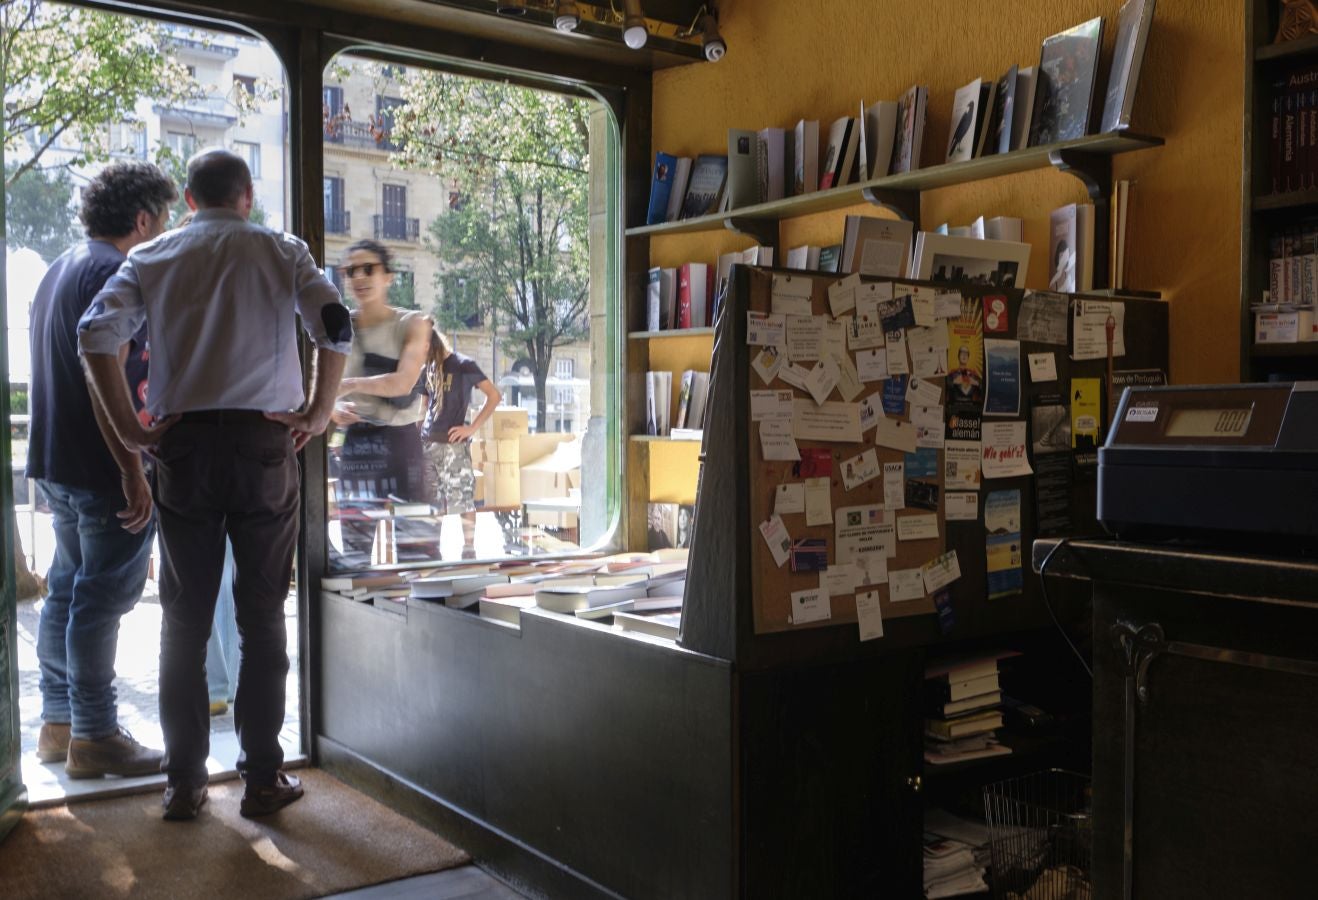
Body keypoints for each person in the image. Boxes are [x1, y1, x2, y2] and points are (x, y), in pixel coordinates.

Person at [79, 148, 351, 821]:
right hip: (265, 444)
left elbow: (94, 335)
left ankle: (184, 784)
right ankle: (261, 779)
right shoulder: (283, 250)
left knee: (184, 621)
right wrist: (317, 411)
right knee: (261, 618)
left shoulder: (153, 256)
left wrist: (132, 433)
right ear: (246, 196)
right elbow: (336, 324)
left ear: (192, 200)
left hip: (185, 449)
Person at [26, 160, 175, 778]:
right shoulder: (116, 271)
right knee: (101, 598)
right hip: (100, 466)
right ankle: (95, 734)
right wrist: (132, 465)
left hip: (57, 462)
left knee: (67, 587)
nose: (166, 233)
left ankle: (58, 724)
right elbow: (101, 371)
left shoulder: (61, 266)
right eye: (164, 222)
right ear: (141, 219)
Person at [332, 239, 430, 504]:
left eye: (368, 268)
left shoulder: (412, 323)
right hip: (358, 442)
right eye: (351, 271)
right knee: (357, 539)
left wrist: (348, 385)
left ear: (388, 276)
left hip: (402, 441)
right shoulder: (339, 327)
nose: (359, 276)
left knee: (416, 538)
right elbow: (319, 386)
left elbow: (403, 383)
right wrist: (332, 409)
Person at [420, 320, 501, 558]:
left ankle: (469, 550)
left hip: (453, 446)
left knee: (463, 499)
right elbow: (423, 406)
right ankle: (433, 551)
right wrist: (416, 438)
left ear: (431, 344)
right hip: (427, 444)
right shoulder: (428, 369)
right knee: (431, 503)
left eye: (423, 349)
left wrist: (471, 428)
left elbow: (494, 396)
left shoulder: (464, 365)